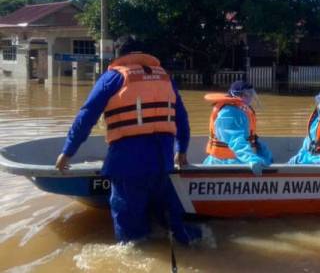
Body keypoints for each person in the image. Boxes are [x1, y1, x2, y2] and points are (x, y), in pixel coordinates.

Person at [54, 37, 201, 245]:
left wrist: (68, 151)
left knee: (130, 232)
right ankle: (191, 244)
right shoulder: (165, 78)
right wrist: (182, 149)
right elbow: (182, 119)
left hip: (128, 164)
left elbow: (86, 116)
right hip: (163, 163)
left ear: (119, 56)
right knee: (169, 218)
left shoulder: (113, 77)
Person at [203, 81, 273, 174]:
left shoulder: (241, 110)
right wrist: (251, 159)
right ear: (238, 95)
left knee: (266, 158)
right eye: (248, 94)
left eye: (252, 93)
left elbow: (249, 137)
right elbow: (235, 141)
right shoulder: (228, 112)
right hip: (225, 162)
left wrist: (260, 148)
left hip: (236, 158)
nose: (251, 97)